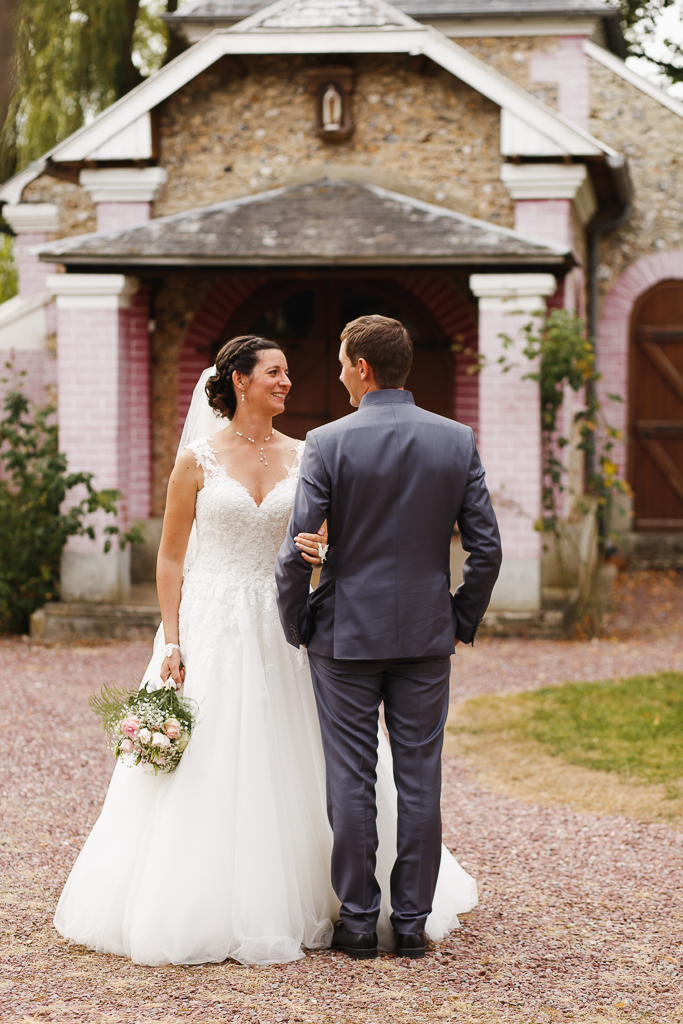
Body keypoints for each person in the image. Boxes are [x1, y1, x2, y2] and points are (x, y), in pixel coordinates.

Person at [54, 333, 477, 967]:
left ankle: (340, 901)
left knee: (314, 761)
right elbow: (171, 557)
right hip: (213, 620)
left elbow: (334, 541)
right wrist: (172, 638)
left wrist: (320, 556)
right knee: (217, 757)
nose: (287, 381)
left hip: (288, 625)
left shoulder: (309, 453)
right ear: (240, 381)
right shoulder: (196, 461)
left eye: (287, 371)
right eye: (274, 372)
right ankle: (207, 900)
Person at [276, 315, 502, 961]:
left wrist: (298, 620)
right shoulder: (455, 439)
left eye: (344, 362)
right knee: (419, 777)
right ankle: (408, 924)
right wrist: (458, 617)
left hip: (346, 636)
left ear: (363, 368)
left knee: (350, 778)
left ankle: (355, 923)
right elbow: (485, 550)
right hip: (426, 634)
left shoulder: (326, 442)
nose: (341, 372)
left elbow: (299, 548)